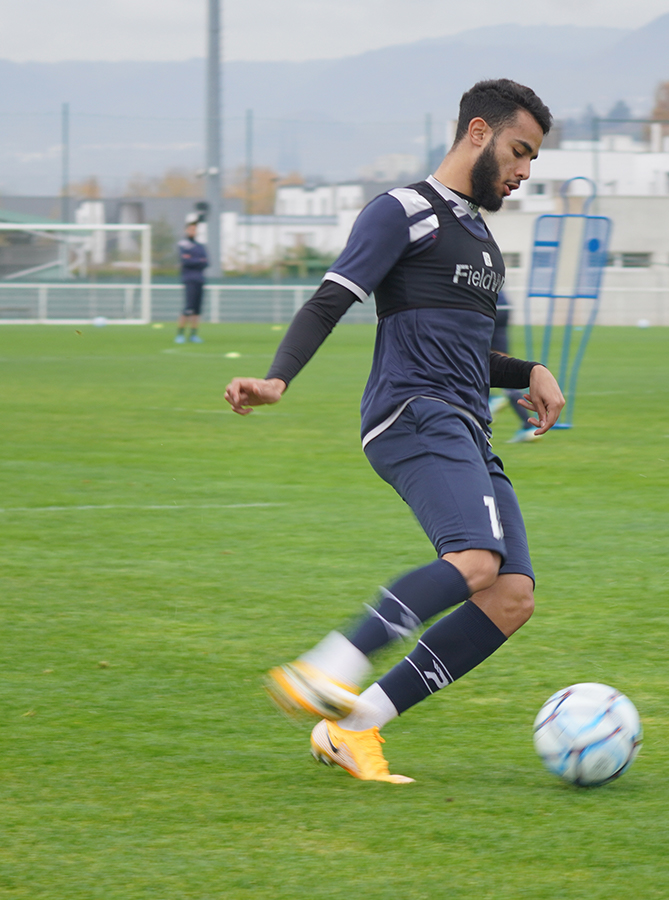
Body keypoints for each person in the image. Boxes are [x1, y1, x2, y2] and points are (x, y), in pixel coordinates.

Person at [223, 79, 562, 784]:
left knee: (510, 595)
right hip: (413, 411)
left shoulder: (481, 240)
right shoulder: (402, 211)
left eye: (532, 159)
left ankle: (355, 729)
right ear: (478, 132)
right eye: (520, 151)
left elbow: (468, 352)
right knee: (474, 558)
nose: (525, 171)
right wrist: (278, 378)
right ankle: (330, 663)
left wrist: (529, 370)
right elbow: (332, 298)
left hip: (465, 423)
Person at [490, 291, 542, 442]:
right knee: (501, 362)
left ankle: (490, 399)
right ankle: (528, 425)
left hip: (484, 305)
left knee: (469, 356)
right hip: (503, 305)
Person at [176, 214, 208, 343]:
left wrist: (194, 260)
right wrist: (198, 261)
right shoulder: (183, 244)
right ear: (186, 230)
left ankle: (194, 334)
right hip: (189, 279)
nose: (193, 231)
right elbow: (186, 261)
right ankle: (180, 334)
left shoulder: (200, 246)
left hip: (200, 279)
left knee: (197, 310)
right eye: (191, 229)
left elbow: (206, 262)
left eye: (195, 229)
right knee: (188, 308)